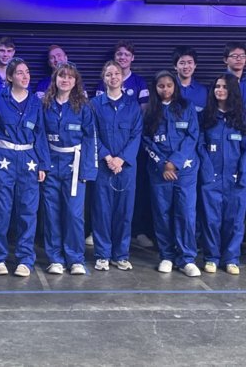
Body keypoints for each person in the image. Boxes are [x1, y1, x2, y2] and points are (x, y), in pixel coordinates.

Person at [0, 57, 50, 277]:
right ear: (10, 77)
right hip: (3, 157)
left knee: (28, 211)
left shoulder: (35, 102)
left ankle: (25, 258)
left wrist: (43, 163)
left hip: (28, 158)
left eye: (28, 72)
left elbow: (40, 133)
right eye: (20, 73)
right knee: (0, 211)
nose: (25, 76)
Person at [143, 70, 201, 277]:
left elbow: (192, 137)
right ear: (155, 88)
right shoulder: (150, 110)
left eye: (169, 85)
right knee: (162, 214)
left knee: (185, 214)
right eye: (161, 86)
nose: (165, 89)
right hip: (159, 172)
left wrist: (174, 163)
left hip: (184, 171)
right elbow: (146, 141)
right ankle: (166, 255)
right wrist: (163, 164)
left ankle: (187, 258)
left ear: (175, 86)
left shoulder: (187, 107)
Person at [42, 62, 97, 275]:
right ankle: (55, 258)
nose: (66, 80)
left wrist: (87, 171)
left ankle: (75, 258)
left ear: (76, 82)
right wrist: (43, 165)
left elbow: (90, 139)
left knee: (74, 215)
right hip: (51, 165)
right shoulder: (45, 105)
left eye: (70, 77)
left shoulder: (83, 107)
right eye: (62, 76)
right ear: (55, 79)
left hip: (74, 166)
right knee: (51, 213)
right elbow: (40, 137)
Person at [91, 61, 142, 271]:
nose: (113, 77)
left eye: (117, 74)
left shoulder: (133, 106)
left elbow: (137, 134)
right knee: (101, 211)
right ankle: (102, 254)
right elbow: (91, 133)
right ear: (104, 79)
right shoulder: (94, 105)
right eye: (109, 74)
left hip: (126, 168)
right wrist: (107, 157)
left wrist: (122, 159)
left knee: (124, 212)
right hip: (103, 167)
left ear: (122, 78)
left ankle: (121, 254)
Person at [198, 74, 246, 275]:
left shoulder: (241, 119)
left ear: (232, 90)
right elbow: (200, 146)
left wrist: (242, 174)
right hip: (212, 179)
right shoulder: (206, 117)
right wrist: (207, 172)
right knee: (211, 220)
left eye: (224, 87)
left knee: (234, 221)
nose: (220, 90)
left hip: (236, 180)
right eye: (217, 86)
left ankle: (231, 259)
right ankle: (211, 257)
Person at [95, 40, 149, 109]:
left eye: (127, 54)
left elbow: (144, 111)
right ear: (114, 56)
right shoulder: (105, 81)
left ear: (132, 58)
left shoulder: (140, 82)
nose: (122, 57)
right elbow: (98, 108)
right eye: (119, 54)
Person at [173, 46, 208, 112]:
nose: (186, 66)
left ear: (195, 65)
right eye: (182, 63)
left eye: (190, 62)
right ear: (175, 66)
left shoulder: (203, 91)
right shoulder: (168, 89)